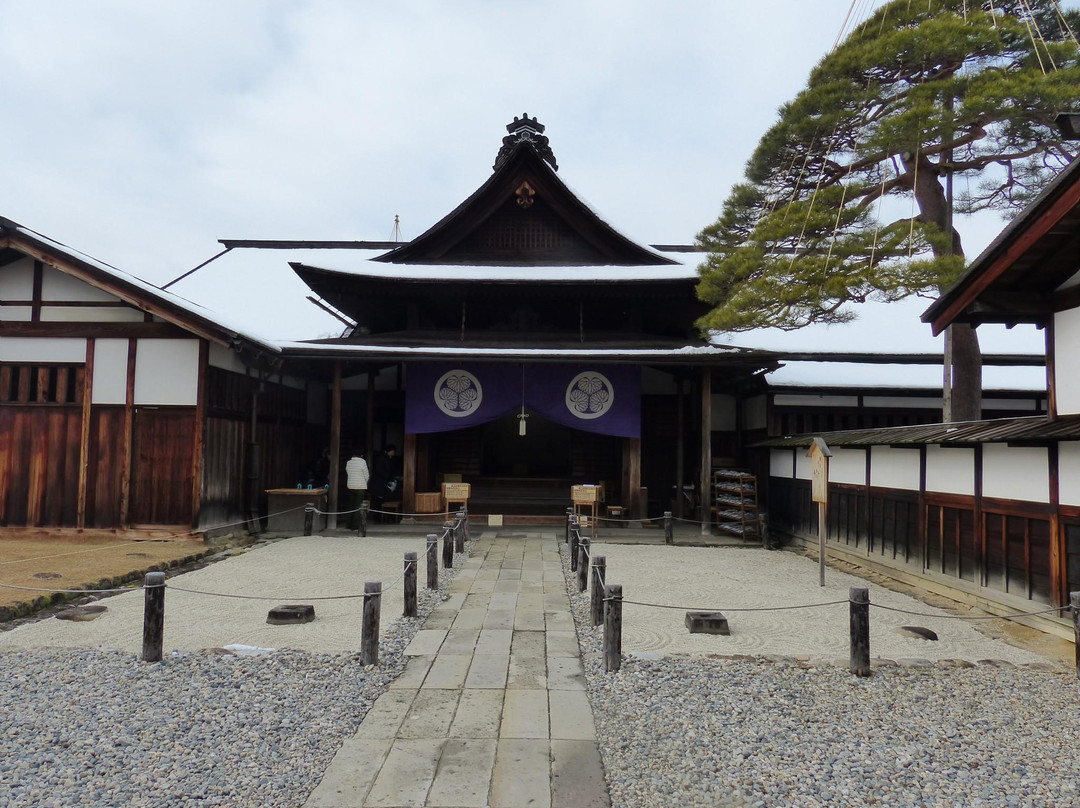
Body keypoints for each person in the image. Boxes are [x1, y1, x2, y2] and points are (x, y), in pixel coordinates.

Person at [345, 448, 370, 530]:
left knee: (351, 506)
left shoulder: (349, 462)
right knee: (358, 506)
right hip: (360, 487)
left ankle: (348, 524)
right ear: (361, 455)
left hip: (351, 486)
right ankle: (355, 525)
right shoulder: (363, 462)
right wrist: (364, 482)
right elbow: (366, 475)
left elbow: (347, 471)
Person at [370, 444, 398, 513]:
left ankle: (379, 516)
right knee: (378, 500)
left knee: (380, 500)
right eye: (392, 452)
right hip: (379, 483)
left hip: (382, 482)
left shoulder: (386, 458)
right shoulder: (382, 458)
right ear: (388, 451)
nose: (393, 453)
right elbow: (380, 471)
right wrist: (389, 477)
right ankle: (377, 516)